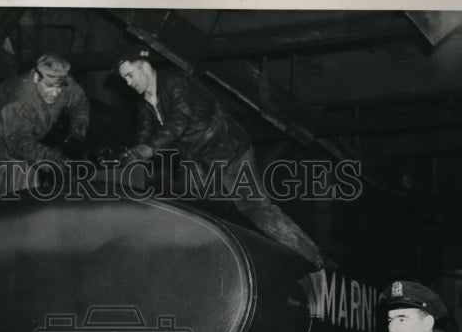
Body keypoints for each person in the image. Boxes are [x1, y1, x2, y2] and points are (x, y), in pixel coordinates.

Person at [114, 47, 325, 268]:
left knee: (256, 209)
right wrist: (134, 154)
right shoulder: (145, 103)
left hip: (229, 152)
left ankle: (314, 257)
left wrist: (149, 149)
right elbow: (145, 132)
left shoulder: (176, 82)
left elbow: (179, 121)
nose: (128, 83)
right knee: (195, 211)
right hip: (199, 162)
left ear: (145, 66)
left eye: (130, 75)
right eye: (124, 79)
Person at [0, 54, 89, 195]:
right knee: (23, 160)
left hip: (19, 125)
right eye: (49, 86)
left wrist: (78, 130)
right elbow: (20, 144)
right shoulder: (21, 98)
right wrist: (50, 156)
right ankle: (12, 206)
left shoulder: (63, 81)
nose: (54, 93)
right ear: (36, 78)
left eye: (59, 88)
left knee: (29, 153)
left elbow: (80, 103)